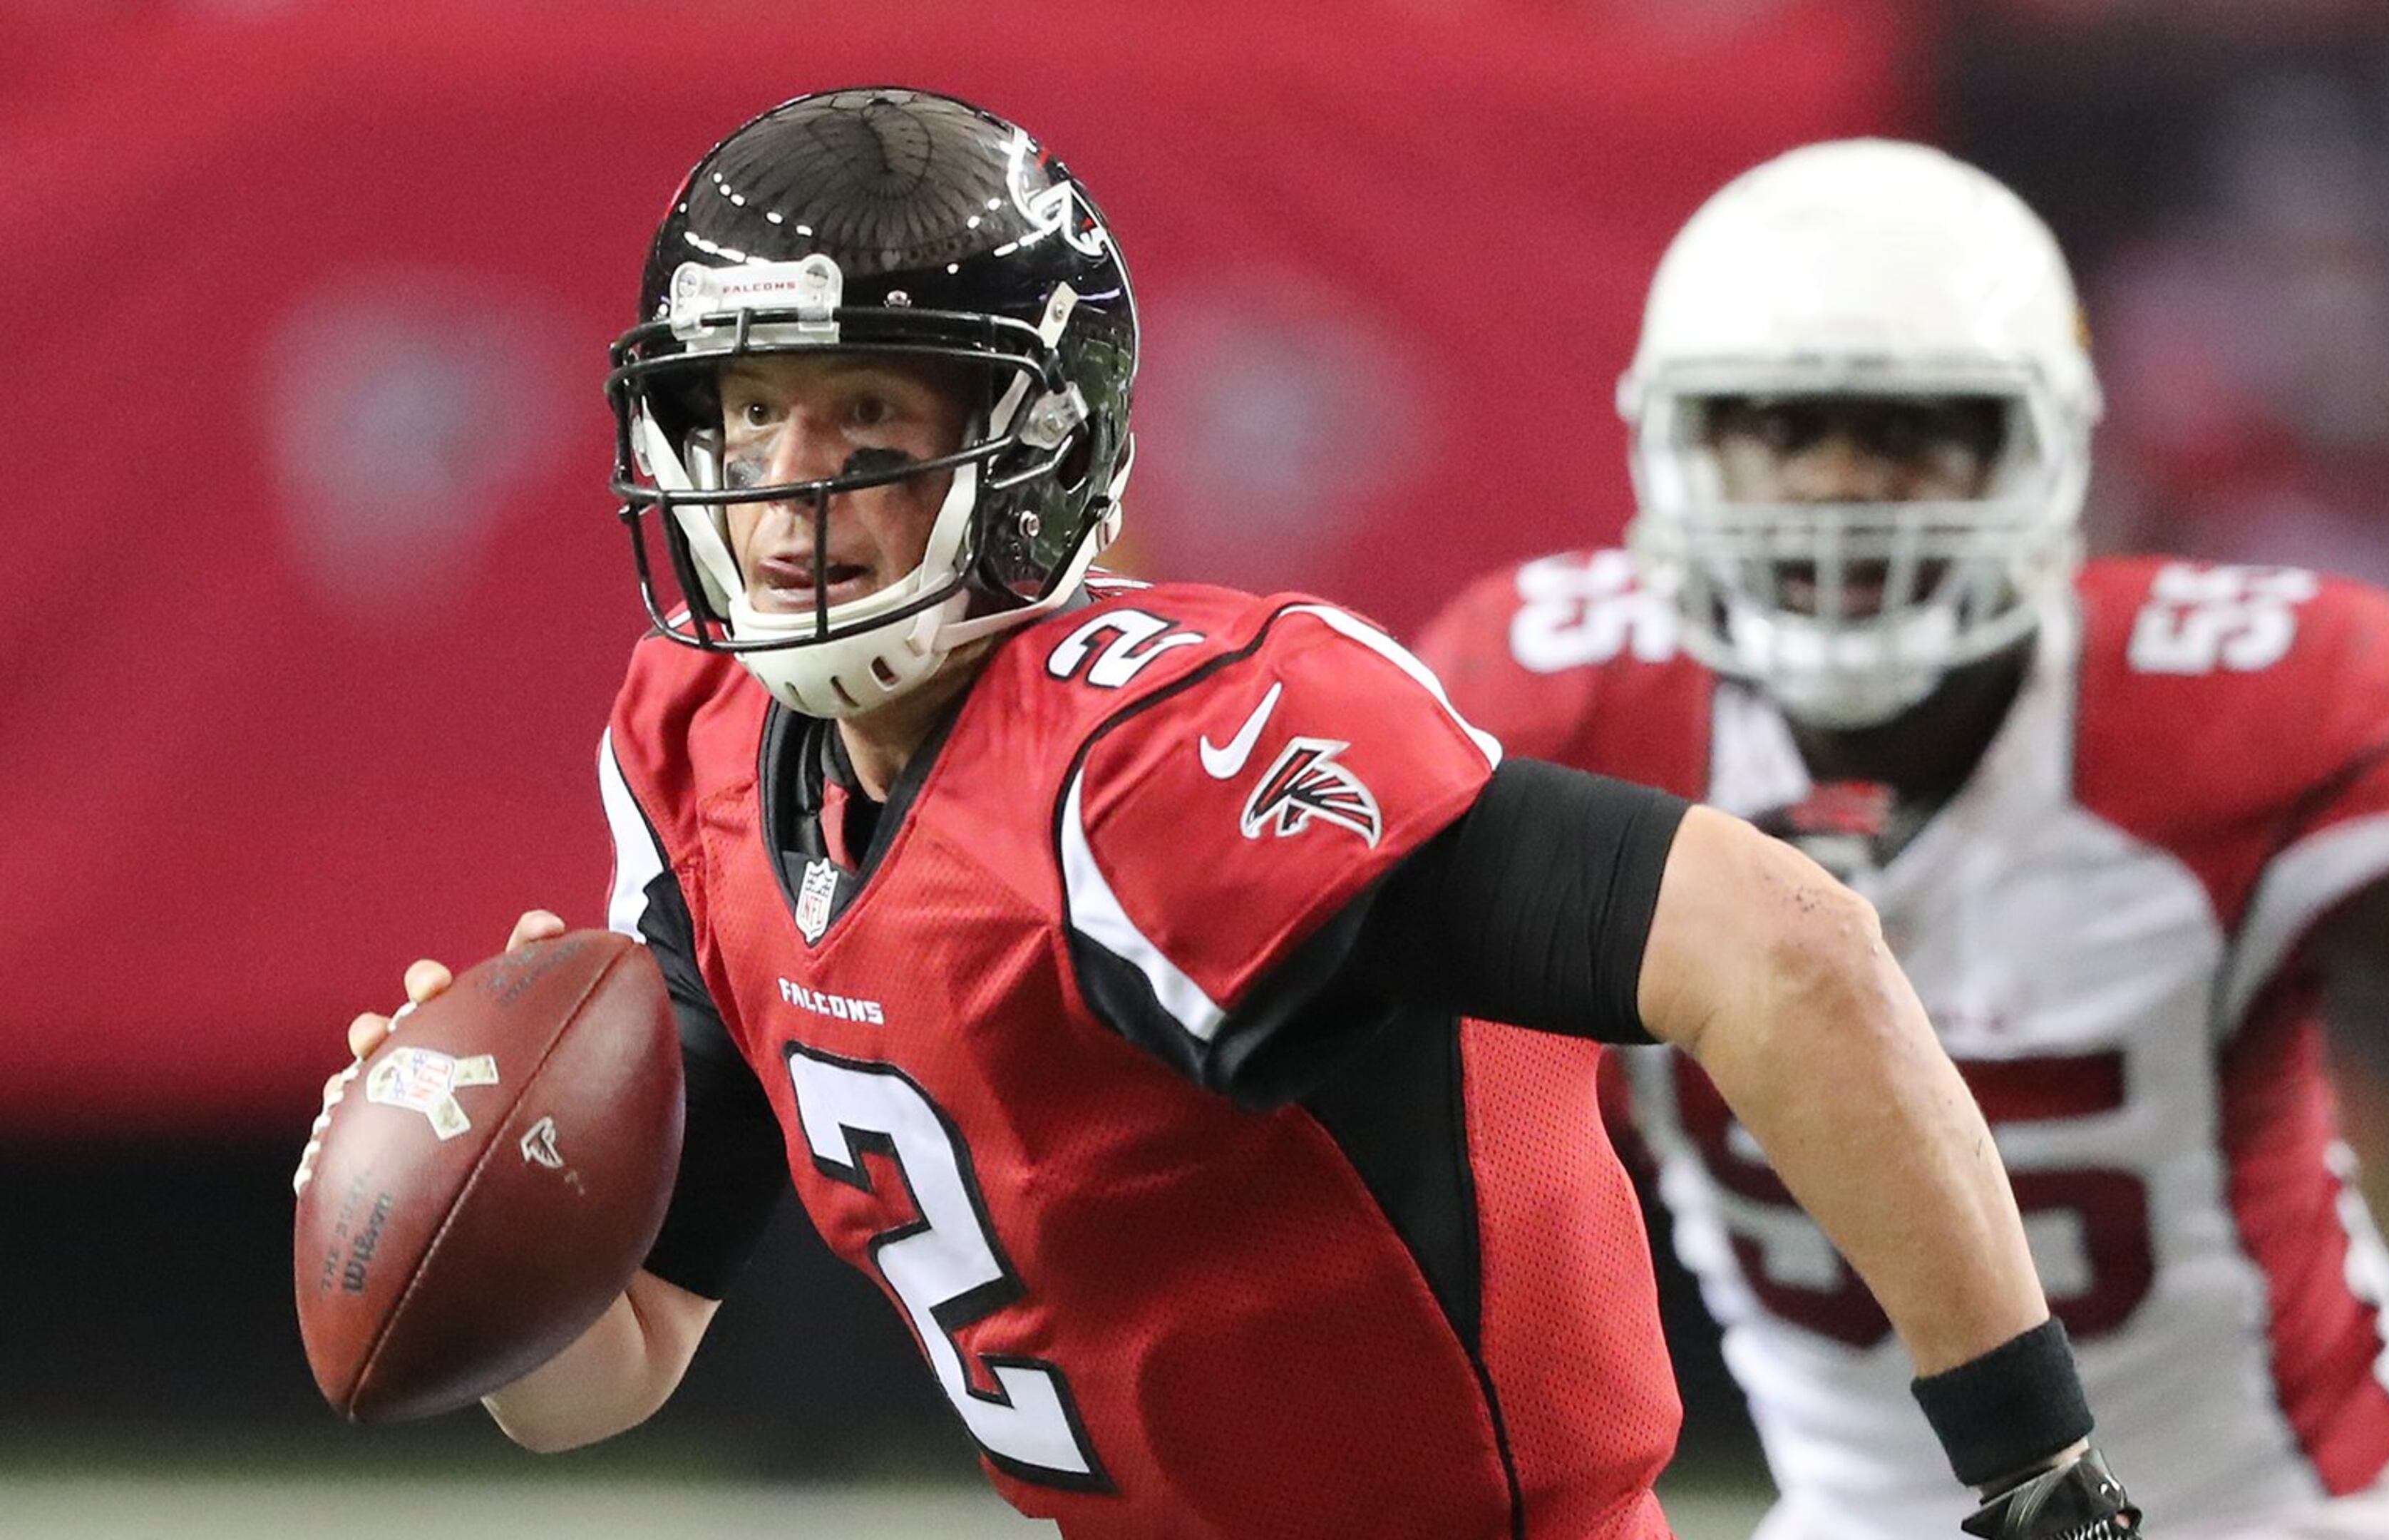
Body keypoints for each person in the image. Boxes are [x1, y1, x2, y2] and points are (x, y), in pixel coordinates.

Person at [299, 91, 2147, 1540]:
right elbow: (616, 1368)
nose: (788, 497)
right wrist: (478, 1213)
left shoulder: (1153, 761)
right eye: (749, 416)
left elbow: (1787, 947)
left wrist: (2033, 1471)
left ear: (1036, 448)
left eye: (866, 422)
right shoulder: (699, 740)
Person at [1413, 138, 2389, 1540]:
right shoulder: (1561, 701)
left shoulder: (2228, 715)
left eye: (1921, 429)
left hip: (2286, 1511)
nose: (1844, 486)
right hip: (1864, 1514)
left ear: (2047, 445)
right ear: (1668, 440)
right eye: (1778, 424)